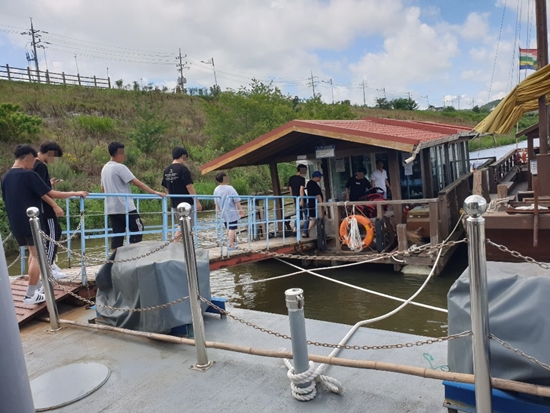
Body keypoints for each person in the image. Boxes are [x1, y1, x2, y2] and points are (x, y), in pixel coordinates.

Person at [1, 144, 88, 305]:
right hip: (32, 222)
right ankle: (31, 294)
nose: (33, 165)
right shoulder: (28, 175)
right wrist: (76, 193)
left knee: (32, 255)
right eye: (33, 161)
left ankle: (33, 288)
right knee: (38, 257)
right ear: (28, 158)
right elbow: (52, 194)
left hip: (16, 222)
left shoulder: (6, 177)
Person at [101, 142, 165, 250]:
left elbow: (103, 188)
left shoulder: (105, 168)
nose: (124, 155)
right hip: (125, 206)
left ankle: (115, 260)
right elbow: (137, 182)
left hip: (111, 207)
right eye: (123, 153)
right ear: (118, 153)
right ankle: (131, 255)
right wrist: (154, 192)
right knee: (138, 228)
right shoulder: (120, 167)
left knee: (118, 233)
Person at [33, 141, 66, 279]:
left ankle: (49, 265)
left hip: (37, 208)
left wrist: (49, 184)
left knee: (52, 234)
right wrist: (55, 205)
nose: (54, 160)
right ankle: (49, 268)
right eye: (54, 157)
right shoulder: (41, 166)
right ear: (50, 153)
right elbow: (41, 191)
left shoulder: (32, 164)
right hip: (45, 209)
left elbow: (38, 185)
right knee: (53, 234)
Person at [161, 146, 202, 219]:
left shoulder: (166, 170)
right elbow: (189, 186)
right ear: (182, 156)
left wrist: (172, 199)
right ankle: (177, 231)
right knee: (187, 225)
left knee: (182, 224)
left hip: (175, 204)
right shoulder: (183, 169)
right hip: (186, 204)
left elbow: (166, 188)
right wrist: (197, 202)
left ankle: (177, 231)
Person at [213, 172, 244, 250]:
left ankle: (231, 242)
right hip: (231, 211)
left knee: (228, 228)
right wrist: (240, 209)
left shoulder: (216, 189)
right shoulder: (230, 188)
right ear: (224, 178)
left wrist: (218, 211)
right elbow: (237, 200)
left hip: (223, 212)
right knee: (232, 228)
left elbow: (216, 202)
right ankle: (231, 245)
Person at [288, 164, 307, 234]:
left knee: (298, 213)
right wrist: (302, 199)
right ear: (302, 170)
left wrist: (292, 198)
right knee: (306, 214)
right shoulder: (302, 179)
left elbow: (290, 189)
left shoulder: (291, 178)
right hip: (302, 198)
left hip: (295, 198)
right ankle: (305, 231)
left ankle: (295, 228)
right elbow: (301, 190)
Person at [304, 171, 324, 237]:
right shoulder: (313, 184)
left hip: (311, 202)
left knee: (312, 218)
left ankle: (307, 231)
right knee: (314, 218)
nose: (320, 178)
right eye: (319, 177)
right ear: (316, 177)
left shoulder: (309, 183)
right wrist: (322, 205)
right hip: (314, 204)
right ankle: (308, 231)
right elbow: (318, 195)